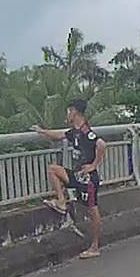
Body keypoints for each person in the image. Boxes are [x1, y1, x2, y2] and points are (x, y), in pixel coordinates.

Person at [33, 99, 105, 259]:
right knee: (53, 169)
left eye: (68, 111)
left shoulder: (86, 131)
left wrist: (94, 165)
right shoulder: (74, 132)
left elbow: (101, 144)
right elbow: (59, 135)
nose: (67, 115)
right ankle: (61, 201)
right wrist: (42, 131)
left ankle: (95, 246)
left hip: (88, 178)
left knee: (92, 209)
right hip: (77, 175)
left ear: (74, 112)